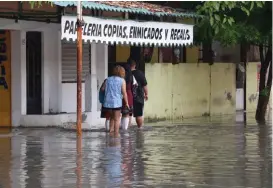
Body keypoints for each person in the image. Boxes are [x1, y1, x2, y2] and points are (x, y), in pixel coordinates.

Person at [100, 65, 129, 133]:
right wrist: (127, 103)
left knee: (111, 118)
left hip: (107, 103)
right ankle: (116, 134)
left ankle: (110, 132)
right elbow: (124, 93)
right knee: (117, 119)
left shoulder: (107, 79)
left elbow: (102, 89)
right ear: (122, 72)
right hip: (116, 103)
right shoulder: (122, 81)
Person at [129, 59, 148, 128]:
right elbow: (145, 85)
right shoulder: (140, 73)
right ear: (135, 65)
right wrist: (146, 94)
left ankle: (126, 130)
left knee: (127, 114)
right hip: (138, 96)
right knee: (139, 114)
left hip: (128, 96)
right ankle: (139, 130)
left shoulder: (126, 73)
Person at [120, 64, 136, 130]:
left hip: (120, 95)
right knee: (128, 113)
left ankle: (122, 127)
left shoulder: (120, 77)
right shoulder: (132, 76)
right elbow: (135, 87)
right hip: (129, 95)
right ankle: (126, 128)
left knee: (122, 112)